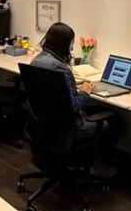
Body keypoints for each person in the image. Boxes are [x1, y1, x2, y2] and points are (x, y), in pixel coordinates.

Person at [30, 22, 116, 150]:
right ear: (64, 44)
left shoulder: (36, 60)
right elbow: (72, 106)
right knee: (116, 122)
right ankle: (95, 158)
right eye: (71, 43)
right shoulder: (60, 68)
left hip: (44, 125)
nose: (72, 48)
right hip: (67, 129)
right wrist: (85, 92)